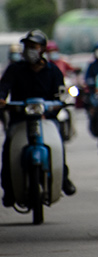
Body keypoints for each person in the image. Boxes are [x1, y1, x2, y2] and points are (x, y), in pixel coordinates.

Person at [1, 31, 76, 204]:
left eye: (33, 47)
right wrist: (2, 98)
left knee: (59, 145)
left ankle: (63, 178)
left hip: (47, 118)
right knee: (8, 149)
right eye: (27, 47)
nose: (29, 51)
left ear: (42, 49)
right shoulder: (15, 69)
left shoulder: (53, 71)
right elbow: (4, 86)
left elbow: (60, 94)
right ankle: (9, 189)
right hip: (20, 119)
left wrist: (57, 106)